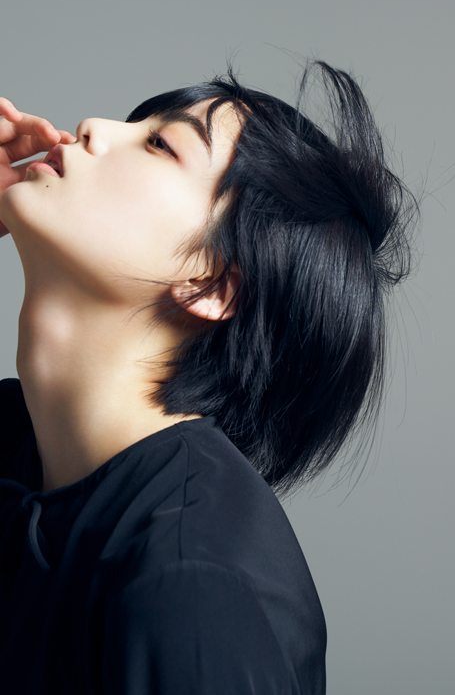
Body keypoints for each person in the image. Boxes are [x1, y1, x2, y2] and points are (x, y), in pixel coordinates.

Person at [0, 62, 416, 694]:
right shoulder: (18, 442)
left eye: (160, 144)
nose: (91, 127)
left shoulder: (192, 584)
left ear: (210, 284)